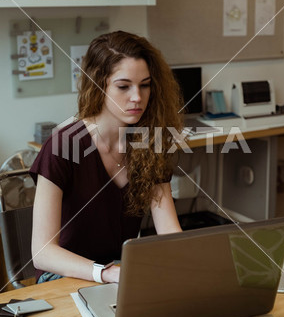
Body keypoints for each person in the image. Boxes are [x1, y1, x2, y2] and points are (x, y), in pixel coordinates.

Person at [30, 31, 184, 284]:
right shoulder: (62, 146)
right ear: (98, 84)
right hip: (64, 275)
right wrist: (105, 272)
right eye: (124, 86)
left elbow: (168, 230)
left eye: (145, 85)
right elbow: (42, 253)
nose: (137, 97)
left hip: (122, 272)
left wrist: (197, 261)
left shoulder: (149, 143)